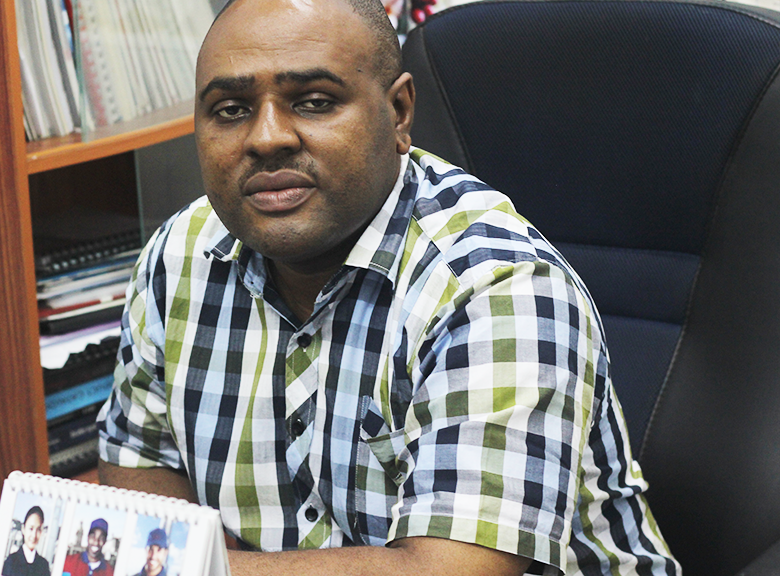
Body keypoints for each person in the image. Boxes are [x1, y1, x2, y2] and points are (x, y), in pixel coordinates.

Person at [97, 0, 681, 574]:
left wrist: (177, 568)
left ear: (399, 112)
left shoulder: (496, 285)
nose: (266, 137)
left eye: (315, 101)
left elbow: (451, 572)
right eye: (229, 110)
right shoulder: (180, 253)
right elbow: (139, 462)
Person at [2, 506, 51, 576]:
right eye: (31, 528)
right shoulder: (11, 562)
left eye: (38, 529)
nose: (34, 535)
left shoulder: (43, 565)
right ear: (23, 529)